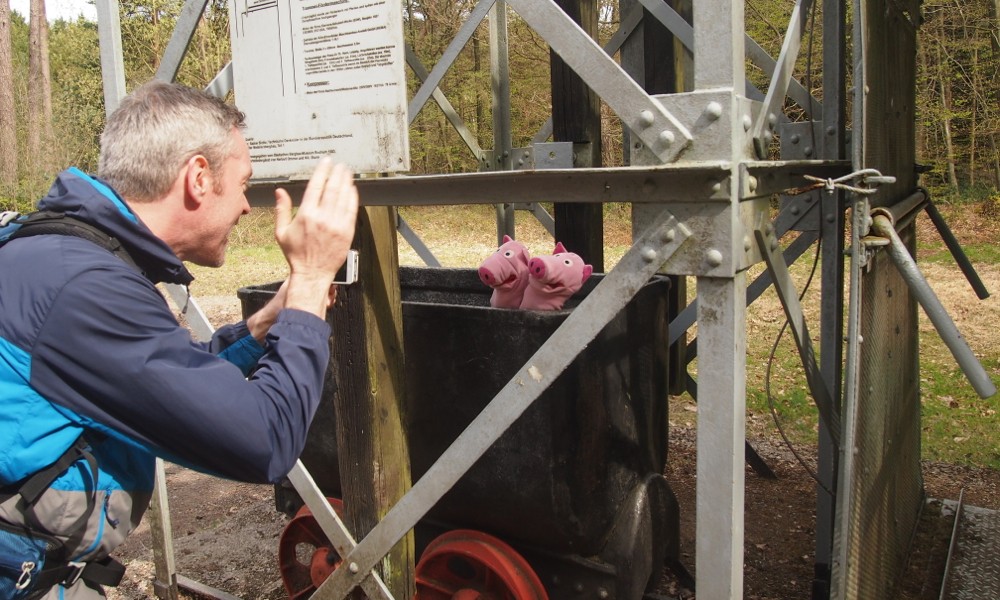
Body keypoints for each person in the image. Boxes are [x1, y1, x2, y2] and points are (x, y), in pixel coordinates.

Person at [0, 80, 358, 599]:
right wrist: (307, 284)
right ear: (197, 177)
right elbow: (264, 440)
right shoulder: (86, 290)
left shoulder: (62, 256)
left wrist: (264, 325)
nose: (245, 207)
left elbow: (168, 380)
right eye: (242, 184)